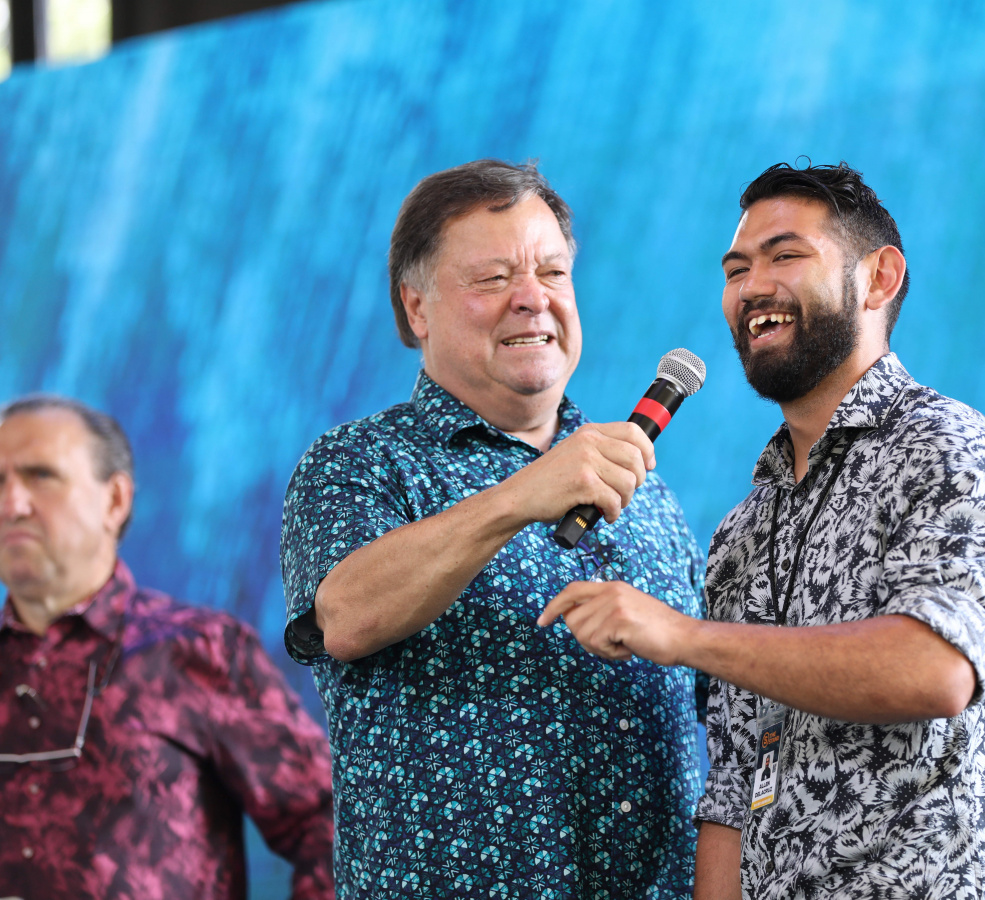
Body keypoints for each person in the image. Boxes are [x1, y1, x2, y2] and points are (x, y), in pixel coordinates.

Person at [539, 161, 985, 899]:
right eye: (736, 269)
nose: (752, 287)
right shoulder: (744, 531)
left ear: (879, 279)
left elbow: (934, 669)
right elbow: (734, 787)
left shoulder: (948, 448)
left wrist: (683, 636)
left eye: (785, 256)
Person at [279, 159, 706, 898]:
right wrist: (519, 496)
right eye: (493, 278)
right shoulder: (358, 463)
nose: (533, 298)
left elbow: (718, 714)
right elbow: (344, 617)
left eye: (553, 272)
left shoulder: (649, 494)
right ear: (417, 308)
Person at [0, 395, 334, 900]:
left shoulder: (198, 650)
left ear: (115, 500)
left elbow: (329, 820)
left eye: (40, 476)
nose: (12, 505)